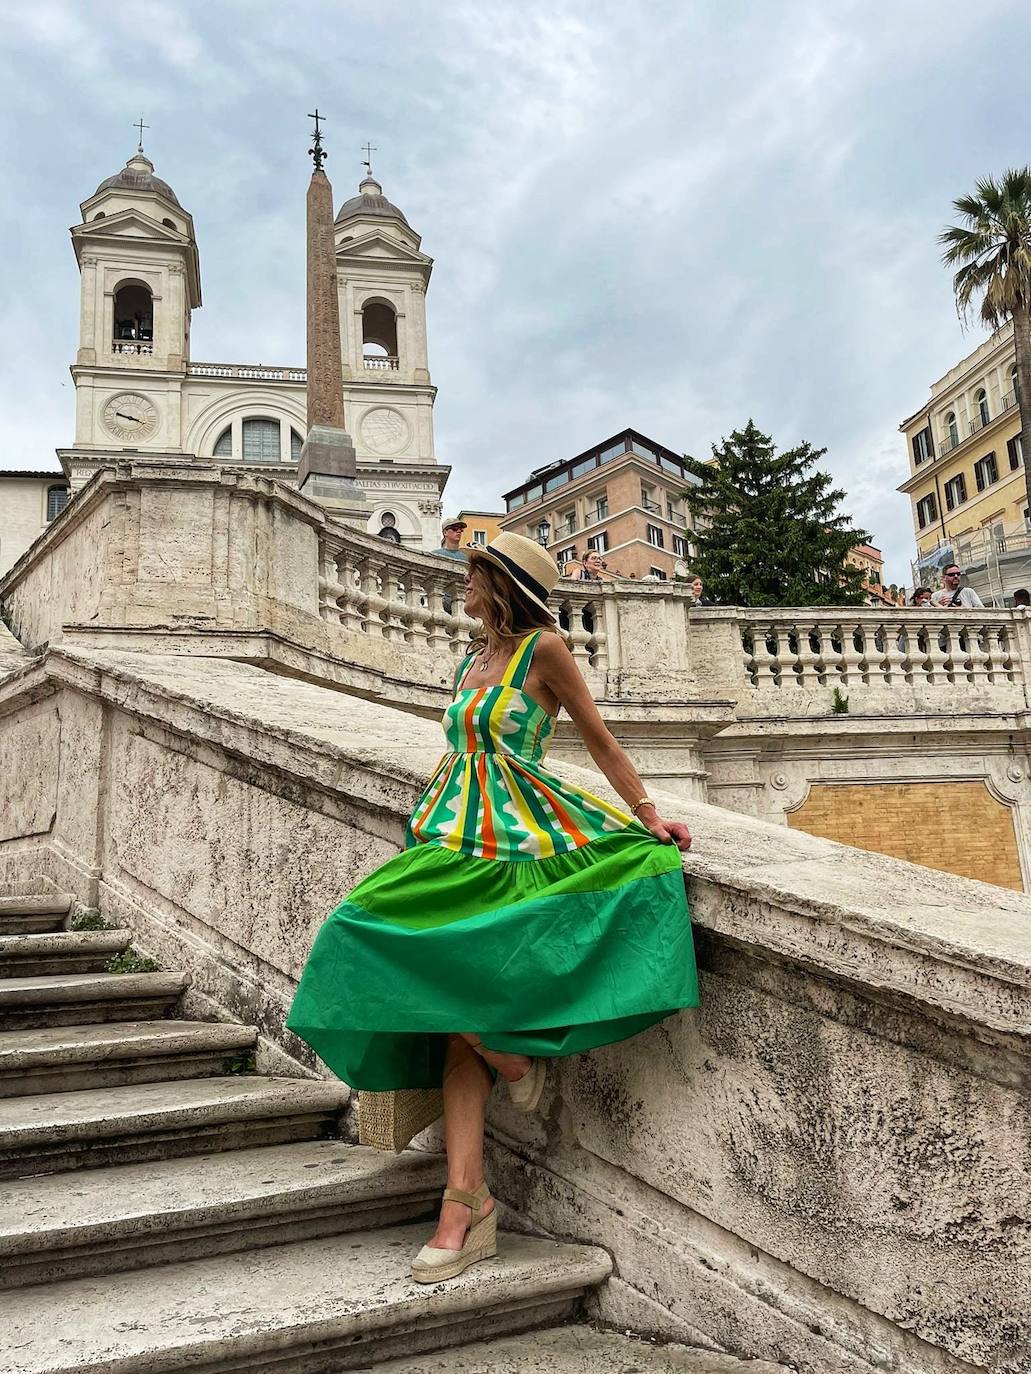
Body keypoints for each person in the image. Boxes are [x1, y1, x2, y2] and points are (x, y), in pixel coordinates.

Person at [287, 532, 698, 1285]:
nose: (461, 588)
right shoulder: (466, 661)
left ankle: (464, 1207)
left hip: (521, 835)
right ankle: (505, 1054)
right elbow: (458, 754)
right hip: (451, 832)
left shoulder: (542, 651)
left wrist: (647, 816)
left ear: (499, 582)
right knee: (359, 930)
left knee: (447, 997)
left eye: (471, 577)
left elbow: (598, 739)